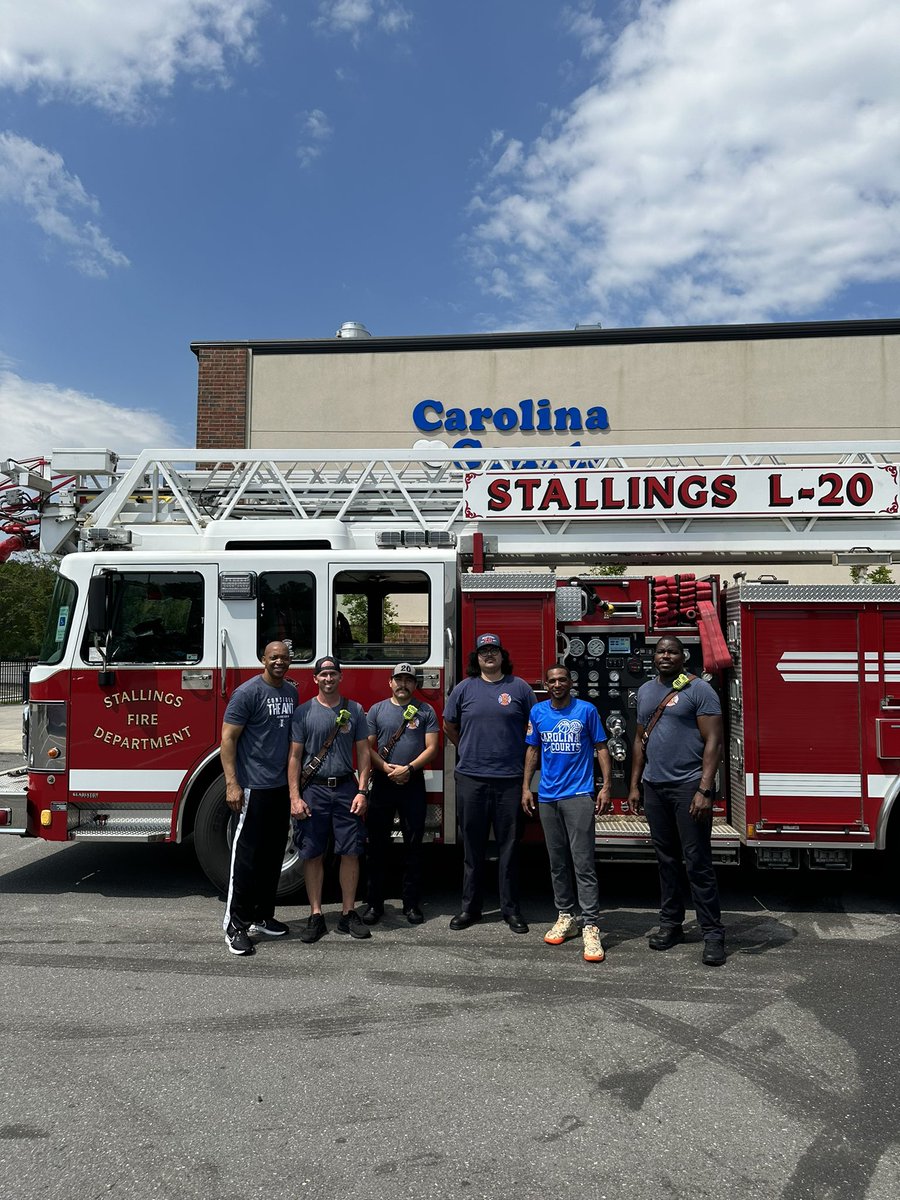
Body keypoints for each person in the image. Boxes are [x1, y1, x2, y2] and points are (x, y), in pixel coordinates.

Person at [628, 635, 726, 966]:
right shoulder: (645, 692)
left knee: (697, 862)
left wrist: (704, 789)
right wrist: (635, 785)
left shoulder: (699, 690)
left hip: (688, 788)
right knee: (666, 861)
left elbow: (714, 741)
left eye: (672, 651)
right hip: (655, 787)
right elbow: (640, 739)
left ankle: (713, 934)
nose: (666, 656)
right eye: (660, 651)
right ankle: (671, 925)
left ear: (683, 656)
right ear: (653, 657)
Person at [443, 632, 536, 934]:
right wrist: (467, 749)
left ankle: (511, 910)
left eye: (494, 650)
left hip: (510, 781)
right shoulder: (463, 689)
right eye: (484, 651)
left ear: (502, 655)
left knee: (510, 849)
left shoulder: (519, 687)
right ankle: (470, 908)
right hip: (471, 779)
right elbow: (449, 724)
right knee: (473, 848)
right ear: (477, 658)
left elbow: (534, 727)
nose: (489, 655)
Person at [522, 663, 612, 963]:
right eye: (552, 681)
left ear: (570, 683)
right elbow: (533, 751)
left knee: (583, 862)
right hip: (548, 797)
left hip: (578, 795)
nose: (557, 684)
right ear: (546, 685)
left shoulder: (586, 711)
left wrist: (606, 786)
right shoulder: (538, 713)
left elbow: (601, 748)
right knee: (557, 862)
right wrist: (526, 787)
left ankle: (590, 925)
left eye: (562, 680)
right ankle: (566, 916)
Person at [220, 641, 298, 956]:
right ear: (263, 659)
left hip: (279, 788)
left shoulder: (291, 693)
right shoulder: (247, 693)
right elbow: (228, 738)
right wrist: (232, 784)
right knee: (247, 860)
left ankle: (262, 917)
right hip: (252, 788)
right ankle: (234, 926)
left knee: (271, 858)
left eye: (284, 657)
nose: (279, 662)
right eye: (273, 657)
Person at [288, 656, 371, 942]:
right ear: (315, 679)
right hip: (314, 790)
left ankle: (348, 914)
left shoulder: (356, 710)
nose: (328, 679)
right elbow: (295, 757)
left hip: (347, 788)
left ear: (340, 677)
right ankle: (316, 915)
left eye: (333, 674)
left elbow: (363, 753)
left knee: (351, 851)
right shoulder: (303, 713)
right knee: (312, 853)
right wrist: (295, 797)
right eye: (323, 674)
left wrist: (362, 790)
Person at [363, 664, 439, 925]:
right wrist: (384, 768)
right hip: (382, 784)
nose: (403, 684)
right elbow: (367, 747)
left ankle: (411, 904)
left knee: (413, 847)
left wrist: (408, 768)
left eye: (408, 680)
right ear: (390, 683)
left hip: (413, 783)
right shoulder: (376, 710)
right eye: (399, 679)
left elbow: (432, 748)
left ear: (415, 685)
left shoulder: (426, 711)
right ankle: (374, 904)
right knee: (376, 846)